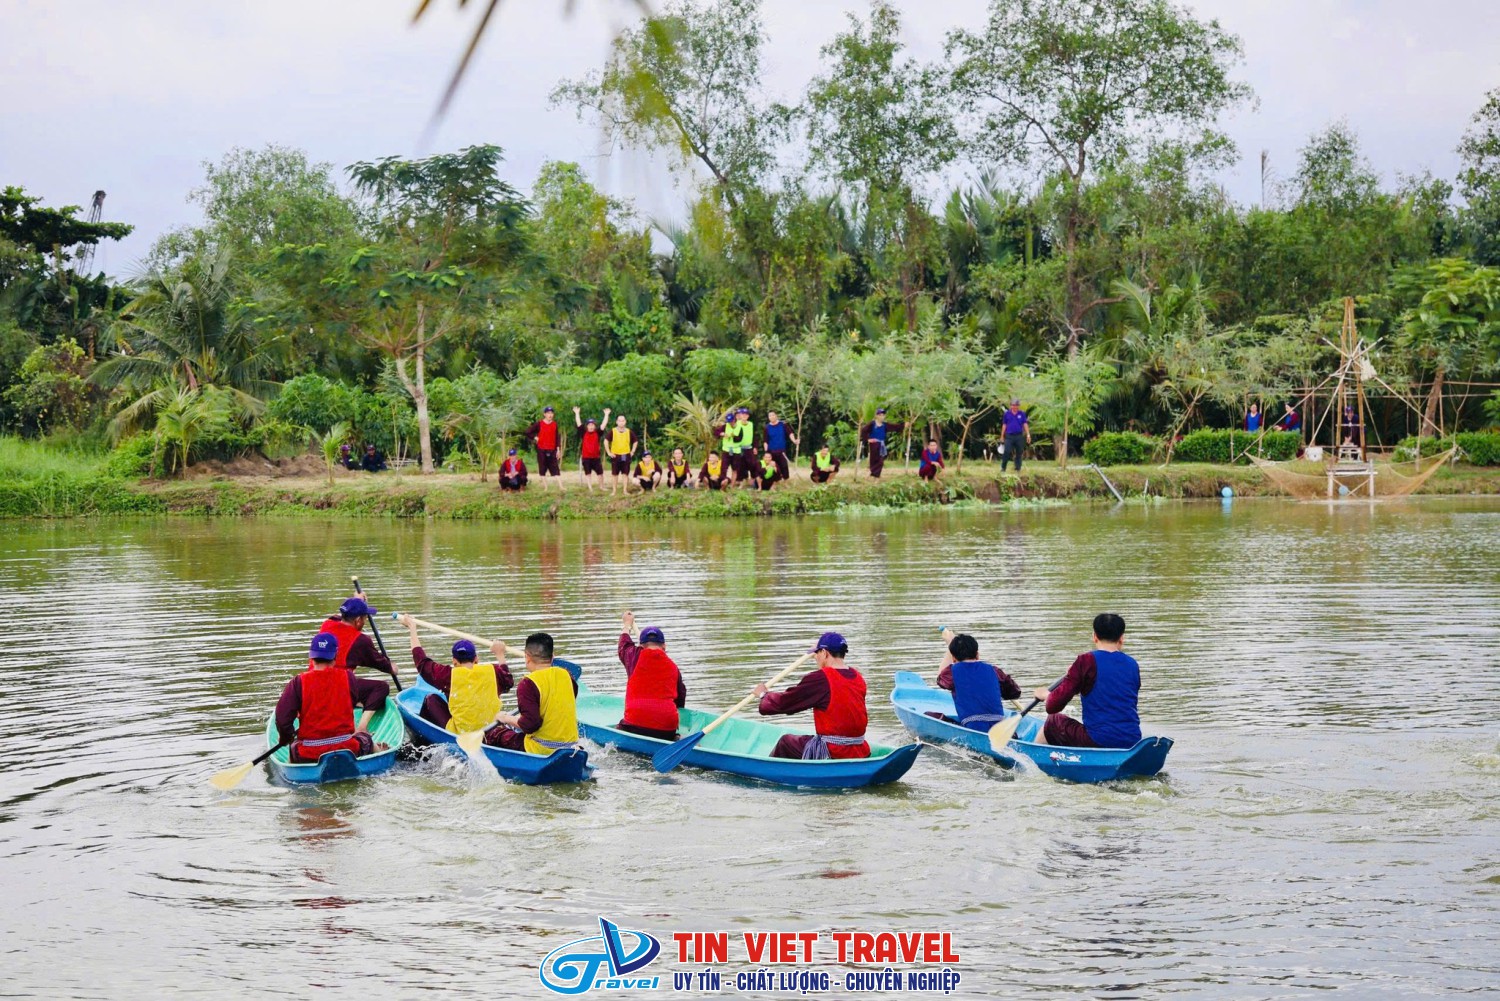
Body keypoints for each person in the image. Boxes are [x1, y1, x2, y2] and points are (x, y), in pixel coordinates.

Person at [275, 632, 391, 763]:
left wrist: (287, 738)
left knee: (294, 746)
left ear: (311, 657)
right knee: (365, 738)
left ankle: (292, 772)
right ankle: (380, 754)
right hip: (348, 749)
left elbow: (282, 720)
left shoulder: (297, 682)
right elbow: (350, 703)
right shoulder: (348, 678)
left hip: (308, 754)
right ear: (335, 656)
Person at [399, 615, 516, 744]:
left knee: (431, 699)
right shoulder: (494, 672)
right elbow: (508, 680)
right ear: (476, 659)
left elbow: (422, 663)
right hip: (492, 730)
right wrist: (500, 654)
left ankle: (423, 741)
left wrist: (412, 628)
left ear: (454, 661)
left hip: (462, 734)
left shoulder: (449, 675)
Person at [754, 632, 869, 760]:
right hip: (860, 749)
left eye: (817, 654)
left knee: (785, 742)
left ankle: (772, 773)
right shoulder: (858, 677)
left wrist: (764, 695)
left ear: (824, 653)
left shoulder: (821, 678)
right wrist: (819, 648)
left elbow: (787, 703)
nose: (815, 658)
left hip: (833, 751)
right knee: (805, 740)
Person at [1033, 613, 1141, 749]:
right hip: (1132, 740)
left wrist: (1046, 695)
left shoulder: (1085, 661)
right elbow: (1111, 690)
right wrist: (1075, 676)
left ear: (1094, 636)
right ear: (1121, 638)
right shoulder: (1132, 664)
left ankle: (1032, 758)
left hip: (1099, 740)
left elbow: (1053, 706)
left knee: (1054, 721)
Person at [490, 632, 581, 755]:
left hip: (542, 749)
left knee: (496, 733)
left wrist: (505, 718)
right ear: (552, 657)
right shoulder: (566, 675)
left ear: (527, 657)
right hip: (571, 746)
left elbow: (530, 726)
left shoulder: (528, 683)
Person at [616, 611, 687, 740]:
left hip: (634, 724)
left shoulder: (634, 656)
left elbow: (623, 645)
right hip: (667, 729)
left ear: (641, 646)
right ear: (664, 646)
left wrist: (627, 624)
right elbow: (681, 696)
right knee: (669, 733)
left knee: (619, 728)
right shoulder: (673, 667)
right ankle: (673, 738)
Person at [936, 632, 1021, 732]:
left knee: (932, 715)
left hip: (973, 726)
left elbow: (940, 679)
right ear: (977, 654)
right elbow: (1014, 693)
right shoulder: (995, 671)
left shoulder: (952, 672)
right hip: (999, 726)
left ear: (953, 658)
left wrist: (950, 644)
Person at [315, 595, 396, 679]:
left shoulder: (327, 624)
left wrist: (358, 601)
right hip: (337, 684)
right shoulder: (360, 640)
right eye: (365, 618)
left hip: (314, 679)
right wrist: (393, 668)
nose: (365, 621)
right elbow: (383, 664)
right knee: (382, 687)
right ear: (358, 620)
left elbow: (342, 617)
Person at [524, 406, 564, 491]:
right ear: (544, 414)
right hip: (541, 450)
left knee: (555, 468)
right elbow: (527, 432)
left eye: (551, 413)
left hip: (552, 450)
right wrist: (535, 437)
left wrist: (558, 450)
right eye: (548, 413)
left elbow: (557, 438)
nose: (550, 415)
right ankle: (546, 487)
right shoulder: (539, 424)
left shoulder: (554, 425)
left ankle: (561, 487)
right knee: (542, 469)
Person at [574, 406, 611, 491]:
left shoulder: (598, 433)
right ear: (587, 426)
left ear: (594, 426)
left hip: (596, 457)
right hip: (586, 458)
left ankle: (601, 487)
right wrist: (577, 413)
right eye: (589, 425)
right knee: (588, 473)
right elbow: (579, 423)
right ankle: (590, 488)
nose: (591, 426)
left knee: (600, 473)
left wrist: (606, 415)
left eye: (592, 425)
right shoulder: (584, 433)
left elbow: (603, 425)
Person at [861, 409, 903, 479]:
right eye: (880, 415)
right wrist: (868, 439)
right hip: (874, 444)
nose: (882, 417)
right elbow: (864, 430)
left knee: (880, 461)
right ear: (876, 416)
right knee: (873, 460)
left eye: (883, 415)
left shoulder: (885, 425)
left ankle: (877, 477)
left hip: (881, 445)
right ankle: (872, 473)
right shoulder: (872, 424)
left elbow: (894, 427)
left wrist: (904, 425)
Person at [763, 411, 798, 482]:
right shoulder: (767, 427)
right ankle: (775, 481)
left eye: (773, 415)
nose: (771, 417)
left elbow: (790, 433)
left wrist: (794, 441)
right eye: (769, 416)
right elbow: (765, 441)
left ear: (776, 416)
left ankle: (786, 481)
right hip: (771, 451)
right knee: (773, 467)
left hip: (781, 451)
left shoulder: (783, 425)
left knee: (784, 466)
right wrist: (766, 452)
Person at [606, 415, 637, 495]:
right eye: (619, 420)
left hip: (625, 455)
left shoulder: (629, 431)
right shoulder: (613, 431)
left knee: (625, 473)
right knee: (614, 474)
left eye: (623, 420)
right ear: (616, 422)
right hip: (615, 455)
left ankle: (625, 490)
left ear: (625, 422)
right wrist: (609, 452)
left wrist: (632, 451)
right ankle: (614, 491)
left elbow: (635, 441)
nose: (621, 422)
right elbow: (606, 441)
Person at [999, 400, 1030, 473]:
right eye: (1013, 405)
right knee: (1007, 451)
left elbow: (1025, 424)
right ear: (1011, 406)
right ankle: (1003, 468)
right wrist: (1002, 436)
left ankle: (1018, 468)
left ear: (1018, 406)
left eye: (1016, 405)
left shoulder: (1022, 414)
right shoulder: (1007, 414)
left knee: (1019, 452)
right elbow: (1004, 425)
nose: (1015, 407)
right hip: (1009, 436)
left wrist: (1028, 434)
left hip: (1019, 436)